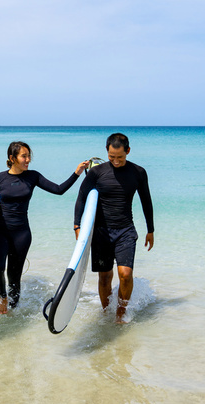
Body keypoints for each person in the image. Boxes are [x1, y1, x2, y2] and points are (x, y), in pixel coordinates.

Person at [0, 141, 89, 314]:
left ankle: (13, 311)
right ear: (12, 158)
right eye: (24, 156)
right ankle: (3, 297)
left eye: (29, 156)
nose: (28, 159)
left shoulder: (33, 176)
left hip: (21, 233)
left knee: (14, 276)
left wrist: (77, 173)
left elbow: (59, 189)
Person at [73, 133, 154, 324]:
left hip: (125, 230)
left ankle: (120, 312)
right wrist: (77, 225)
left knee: (125, 275)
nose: (116, 161)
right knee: (104, 277)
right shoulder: (97, 172)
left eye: (120, 157)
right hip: (101, 232)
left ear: (128, 151)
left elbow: (146, 201)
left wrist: (150, 230)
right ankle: (105, 311)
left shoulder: (138, 172)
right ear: (107, 152)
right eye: (111, 157)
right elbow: (82, 197)